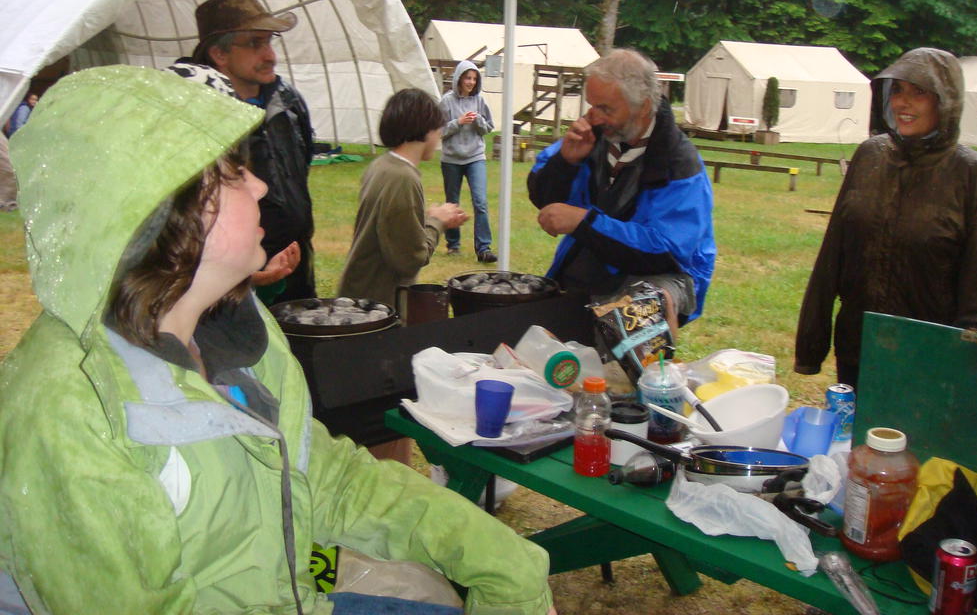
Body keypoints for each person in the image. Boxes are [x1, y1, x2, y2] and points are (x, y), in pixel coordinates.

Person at [0, 66, 555, 615]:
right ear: (158, 209)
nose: (261, 185)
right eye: (233, 174)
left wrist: (496, 555)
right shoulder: (68, 410)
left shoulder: (235, 334)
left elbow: (326, 478)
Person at [795, 47, 977, 389]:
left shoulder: (970, 173)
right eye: (897, 90)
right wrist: (811, 346)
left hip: (930, 360)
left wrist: (969, 366)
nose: (902, 103)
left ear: (946, 100)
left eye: (919, 92)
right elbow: (832, 256)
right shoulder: (870, 156)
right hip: (858, 349)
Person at [527, 48, 716, 333]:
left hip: (661, 277)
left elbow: (665, 252)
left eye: (606, 108)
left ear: (644, 106)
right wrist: (565, 162)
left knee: (643, 307)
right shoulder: (593, 135)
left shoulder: (678, 164)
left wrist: (585, 222)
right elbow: (544, 198)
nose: (593, 116)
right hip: (590, 267)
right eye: (591, 105)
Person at [189, 0, 316, 304]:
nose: (270, 55)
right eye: (255, 43)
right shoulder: (199, 114)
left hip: (296, 261)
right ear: (219, 54)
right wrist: (241, 276)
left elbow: (301, 170)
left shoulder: (287, 102)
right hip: (231, 283)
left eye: (270, 41)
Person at [339, 88, 467, 308]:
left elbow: (392, 226)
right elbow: (410, 258)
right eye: (438, 129)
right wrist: (437, 222)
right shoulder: (403, 178)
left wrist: (429, 217)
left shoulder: (382, 166)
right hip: (376, 305)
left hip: (360, 293)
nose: (439, 137)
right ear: (425, 129)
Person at [438, 61, 497, 263]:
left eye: (474, 78)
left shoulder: (480, 100)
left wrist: (478, 120)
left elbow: (488, 128)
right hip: (451, 159)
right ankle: (453, 245)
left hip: (475, 157)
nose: (471, 82)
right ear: (459, 78)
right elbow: (438, 131)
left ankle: (484, 248)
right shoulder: (446, 101)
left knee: (480, 201)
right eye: (467, 78)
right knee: (452, 202)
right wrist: (458, 122)